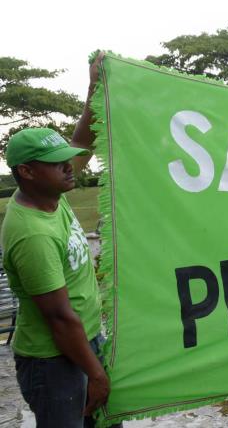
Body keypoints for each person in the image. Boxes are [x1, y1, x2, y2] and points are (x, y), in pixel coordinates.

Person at [2, 53, 117, 427]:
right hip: (53, 362)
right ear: (27, 172)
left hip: (84, 344)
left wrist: (93, 89)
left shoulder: (53, 195)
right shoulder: (32, 232)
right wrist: (96, 374)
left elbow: (82, 140)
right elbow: (60, 318)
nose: (70, 166)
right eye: (57, 162)